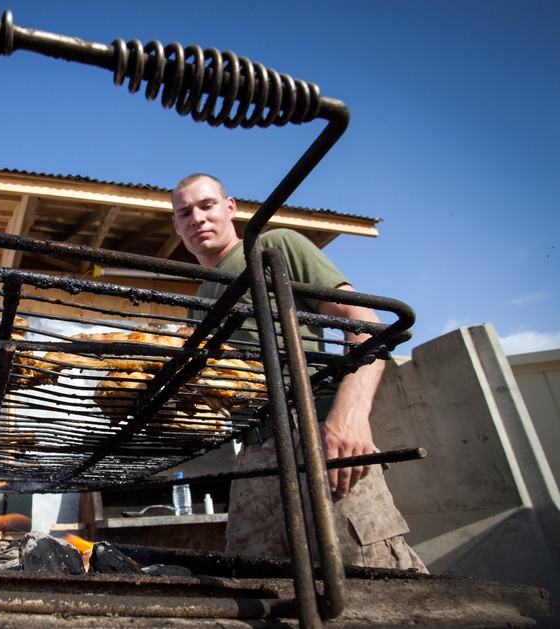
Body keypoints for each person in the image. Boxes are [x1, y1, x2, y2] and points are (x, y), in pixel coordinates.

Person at [170, 173, 426, 571]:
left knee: (368, 579)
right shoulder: (199, 299)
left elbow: (362, 321)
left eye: (206, 205)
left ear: (231, 207)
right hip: (254, 456)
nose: (197, 219)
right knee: (257, 586)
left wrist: (349, 418)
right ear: (176, 224)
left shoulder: (275, 246)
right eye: (185, 212)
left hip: (317, 435)